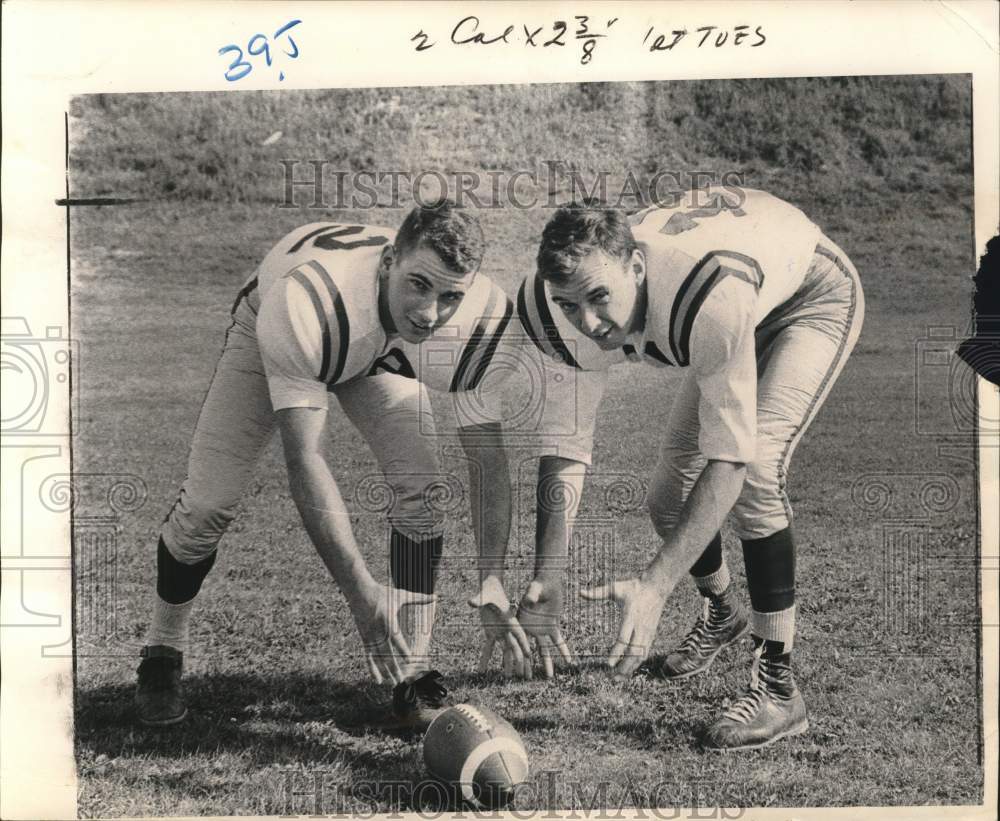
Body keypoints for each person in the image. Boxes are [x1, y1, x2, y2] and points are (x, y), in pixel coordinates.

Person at [483, 187, 864, 751]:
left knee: (755, 472)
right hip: (734, 304)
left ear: (635, 265)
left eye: (597, 297)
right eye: (568, 304)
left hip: (808, 296)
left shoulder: (707, 293)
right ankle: (722, 611)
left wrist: (656, 585)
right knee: (667, 497)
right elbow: (565, 444)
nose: (586, 321)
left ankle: (780, 691)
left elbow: (730, 461)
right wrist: (550, 573)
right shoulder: (555, 305)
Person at [136, 200, 524, 729]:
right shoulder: (307, 299)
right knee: (208, 505)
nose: (431, 313)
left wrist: (493, 576)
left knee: (422, 486)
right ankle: (163, 648)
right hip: (288, 321)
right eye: (419, 285)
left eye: (451, 295)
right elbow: (306, 460)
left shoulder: (481, 318)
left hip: (375, 344)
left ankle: (413, 672)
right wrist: (360, 591)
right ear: (390, 261)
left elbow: (487, 457)